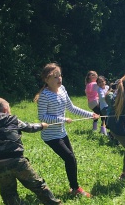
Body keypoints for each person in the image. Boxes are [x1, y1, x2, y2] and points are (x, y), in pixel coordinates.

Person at [0, 98, 64, 205]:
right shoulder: (12, 120)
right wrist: (42, 125)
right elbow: (29, 127)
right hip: (17, 161)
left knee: (8, 193)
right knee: (38, 185)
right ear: (5, 110)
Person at [35, 63, 99, 197]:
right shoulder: (44, 95)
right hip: (50, 135)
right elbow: (42, 117)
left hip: (61, 132)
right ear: (46, 80)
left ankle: (73, 188)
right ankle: (75, 189)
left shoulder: (62, 89)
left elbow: (71, 108)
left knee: (71, 159)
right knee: (70, 158)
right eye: (55, 77)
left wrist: (90, 114)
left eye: (60, 75)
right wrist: (63, 119)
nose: (59, 79)